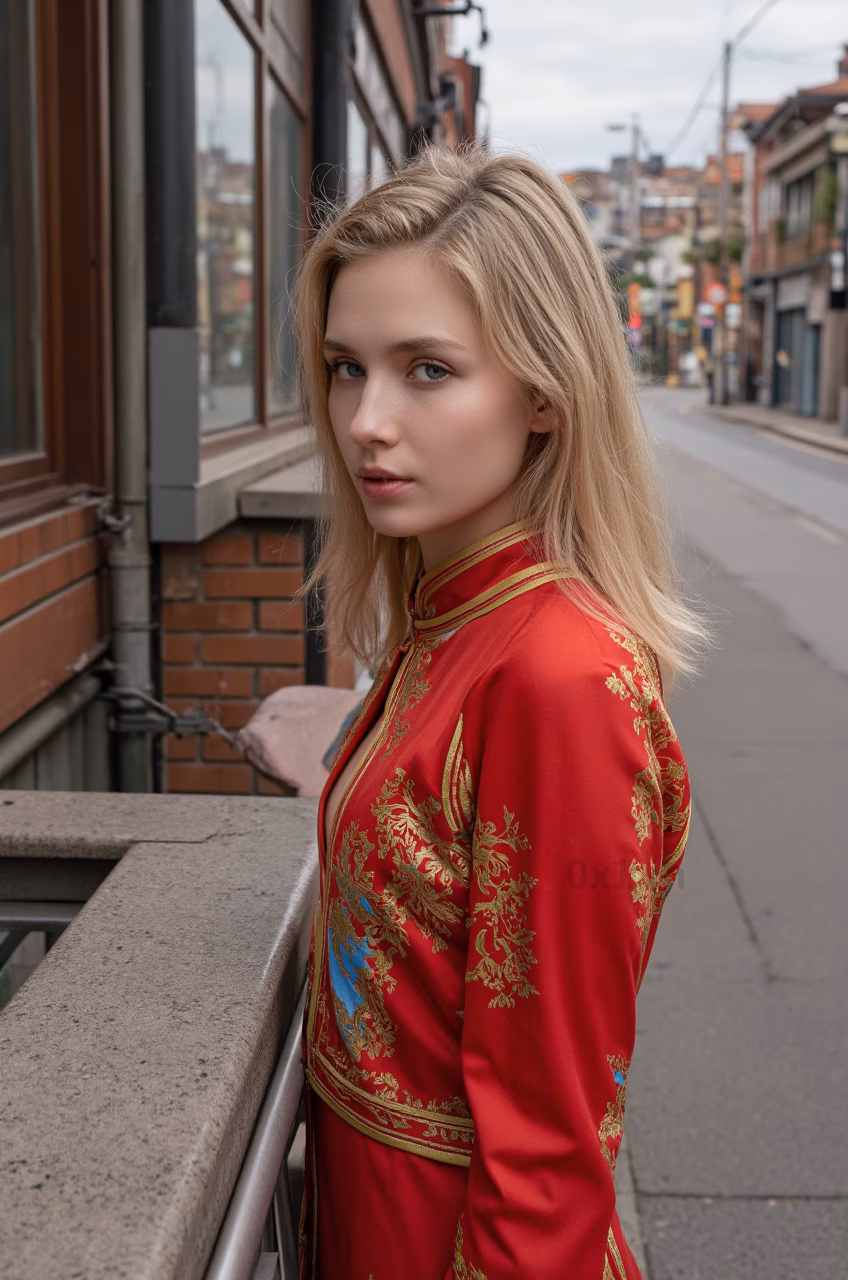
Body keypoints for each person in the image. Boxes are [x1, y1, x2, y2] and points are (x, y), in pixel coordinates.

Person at [293, 144, 703, 1280]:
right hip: (369, 1215)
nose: (364, 420)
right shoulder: (448, 616)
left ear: (541, 389)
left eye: (425, 369)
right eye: (343, 367)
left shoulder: (556, 678)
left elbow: (551, 1135)